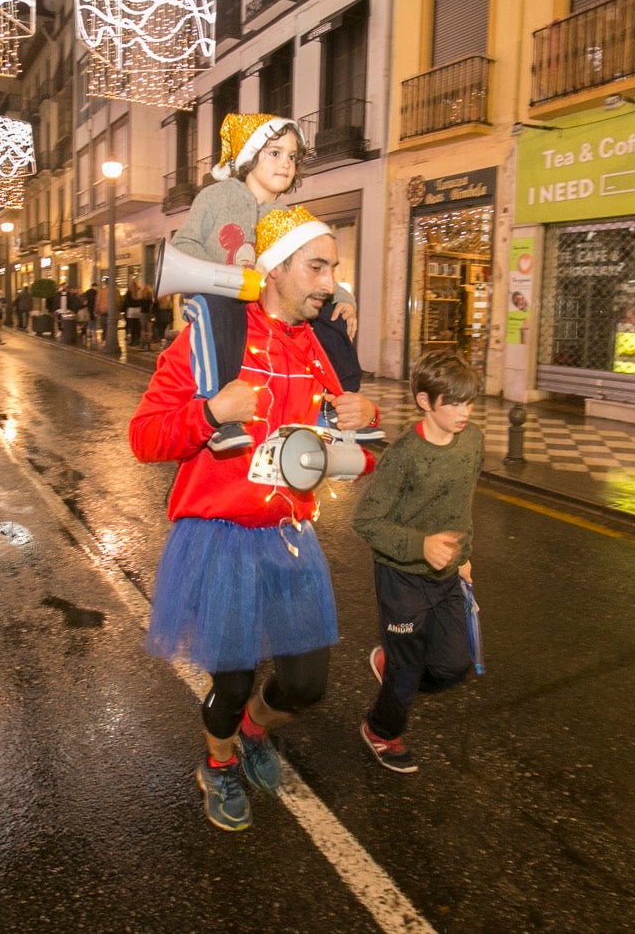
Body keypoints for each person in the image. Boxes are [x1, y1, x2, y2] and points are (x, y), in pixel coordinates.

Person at [129, 206, 381, 833]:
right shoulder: (213, 339)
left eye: (333, 268)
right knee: (233, 676)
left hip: (291, 536)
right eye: (316, 267)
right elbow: (144, 437)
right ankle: (218, 764)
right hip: (220, 536)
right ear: (274, 269)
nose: (329, 282)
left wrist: (365, 420)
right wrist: (212, 412)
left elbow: (357, 458)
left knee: (306, 684)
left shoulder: (327, 346)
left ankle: (251, 734)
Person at [170, 113, 363, 451]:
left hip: (263, 309)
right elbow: (186, 244)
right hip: (220, 298)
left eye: (291, 156)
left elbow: (308, 260)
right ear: (249, 154)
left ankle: (336, 405)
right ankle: (222, 417)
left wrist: (342, 297)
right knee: (218, 315)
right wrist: (226, 275)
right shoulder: (215, 198)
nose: (285, 164)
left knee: (330, 319)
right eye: (274, 153)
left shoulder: (285, 213)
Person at [350, 351, 484, 774]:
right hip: (401, 577)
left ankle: (393, 668)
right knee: (407, 676)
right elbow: (365, 521)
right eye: (454, 403)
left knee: (452, 665)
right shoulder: (403, 456)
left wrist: (463, 557)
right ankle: (380, 731)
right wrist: (421, 545)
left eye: (470, 402)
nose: (465, 413)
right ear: (425, 402)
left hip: (447, 575)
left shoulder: (473, 440)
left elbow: (462, 504)